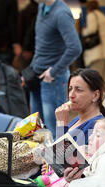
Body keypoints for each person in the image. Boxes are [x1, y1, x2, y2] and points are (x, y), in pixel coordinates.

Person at [28, 0, 82, 138]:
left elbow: (75, 48)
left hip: (53, 80)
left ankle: (57, 160)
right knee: (36, 131)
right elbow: (41, 44)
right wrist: (31, 70)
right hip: (38, 76)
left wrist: (53, 71)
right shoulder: (42, 6)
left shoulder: (61, 13)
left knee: (54, 131)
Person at [38, 118, 105, 187]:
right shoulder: (81, 150)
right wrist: (50, 169)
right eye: (92, 133)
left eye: (97, 135)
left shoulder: (100, 163)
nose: (90, 137)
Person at [55, 68, 105, 146]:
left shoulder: (96, 127)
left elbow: (60, 156)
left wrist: (61, 126)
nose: (71, 95)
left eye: (78, 90)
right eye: (70, 89)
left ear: (95, 95)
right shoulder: (78, 119)